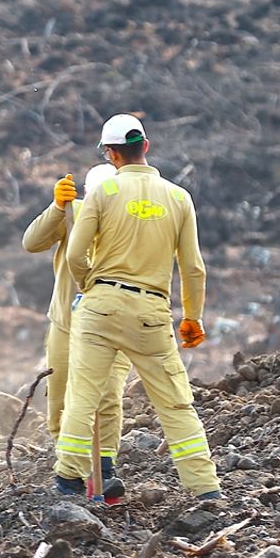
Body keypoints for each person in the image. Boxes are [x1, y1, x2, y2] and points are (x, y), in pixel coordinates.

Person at [58, 114, 222, 500]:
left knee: (83, 394)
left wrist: (91, 286)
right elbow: (193, 268)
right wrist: (192, 317)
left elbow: (76, 256)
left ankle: (68, 480)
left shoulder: (103, 192)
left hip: (100, 308)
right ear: (146, 147)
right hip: (151, 313)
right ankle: (205, 489)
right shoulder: (180, 198)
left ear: (110, 154)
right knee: (176, 403)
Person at [23, 164, 132, 499]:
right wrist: (57, 208)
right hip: (67, 326)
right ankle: (72, 471)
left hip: (114, 326)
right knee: (61, 401)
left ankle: (104, 472)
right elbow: (32, 242)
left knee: (108, 397)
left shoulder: (130, 224)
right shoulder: (75, 215)